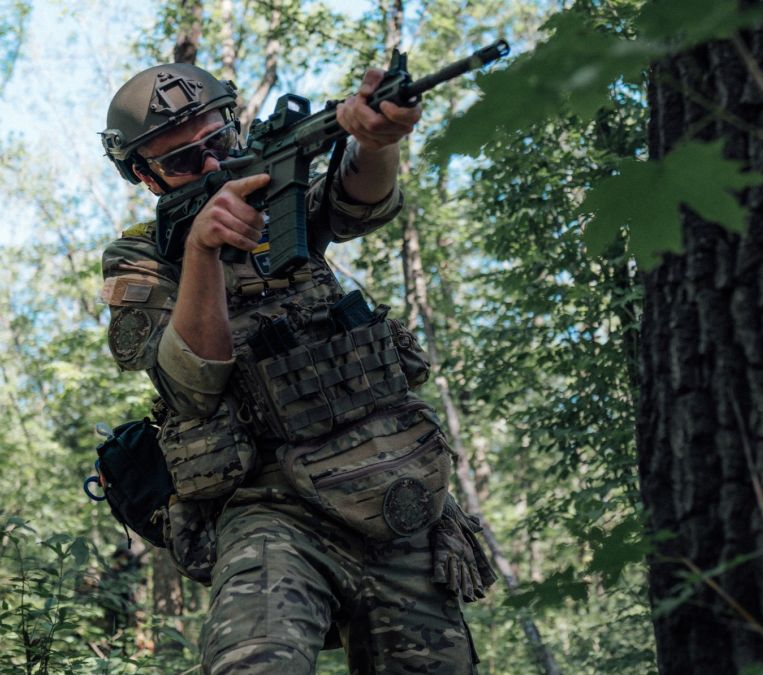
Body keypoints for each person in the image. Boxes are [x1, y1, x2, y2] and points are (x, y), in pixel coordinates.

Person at [100, 61, 495, 674]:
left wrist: (374, 138)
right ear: (147, 177)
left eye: (218, 141)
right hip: (269, 510)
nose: (211, 164)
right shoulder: (142, 256)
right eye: (182, 161)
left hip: (394, 486)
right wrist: (202, 250)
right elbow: (190, 384)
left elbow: (358, 203)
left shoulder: (277, 190)